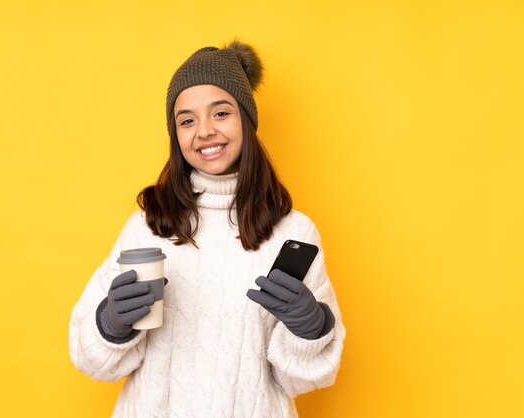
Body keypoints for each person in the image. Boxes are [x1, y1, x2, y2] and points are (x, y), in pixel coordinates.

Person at [69, 40, 345, 417]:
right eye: (187, 120)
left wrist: (312, 329)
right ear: (176, 136)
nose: (204, 131)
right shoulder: (148, 227)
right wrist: (111, 323)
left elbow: (301, 379)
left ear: (246, 120)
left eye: (220, 113)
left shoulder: (293, 233)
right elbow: (90, 358)